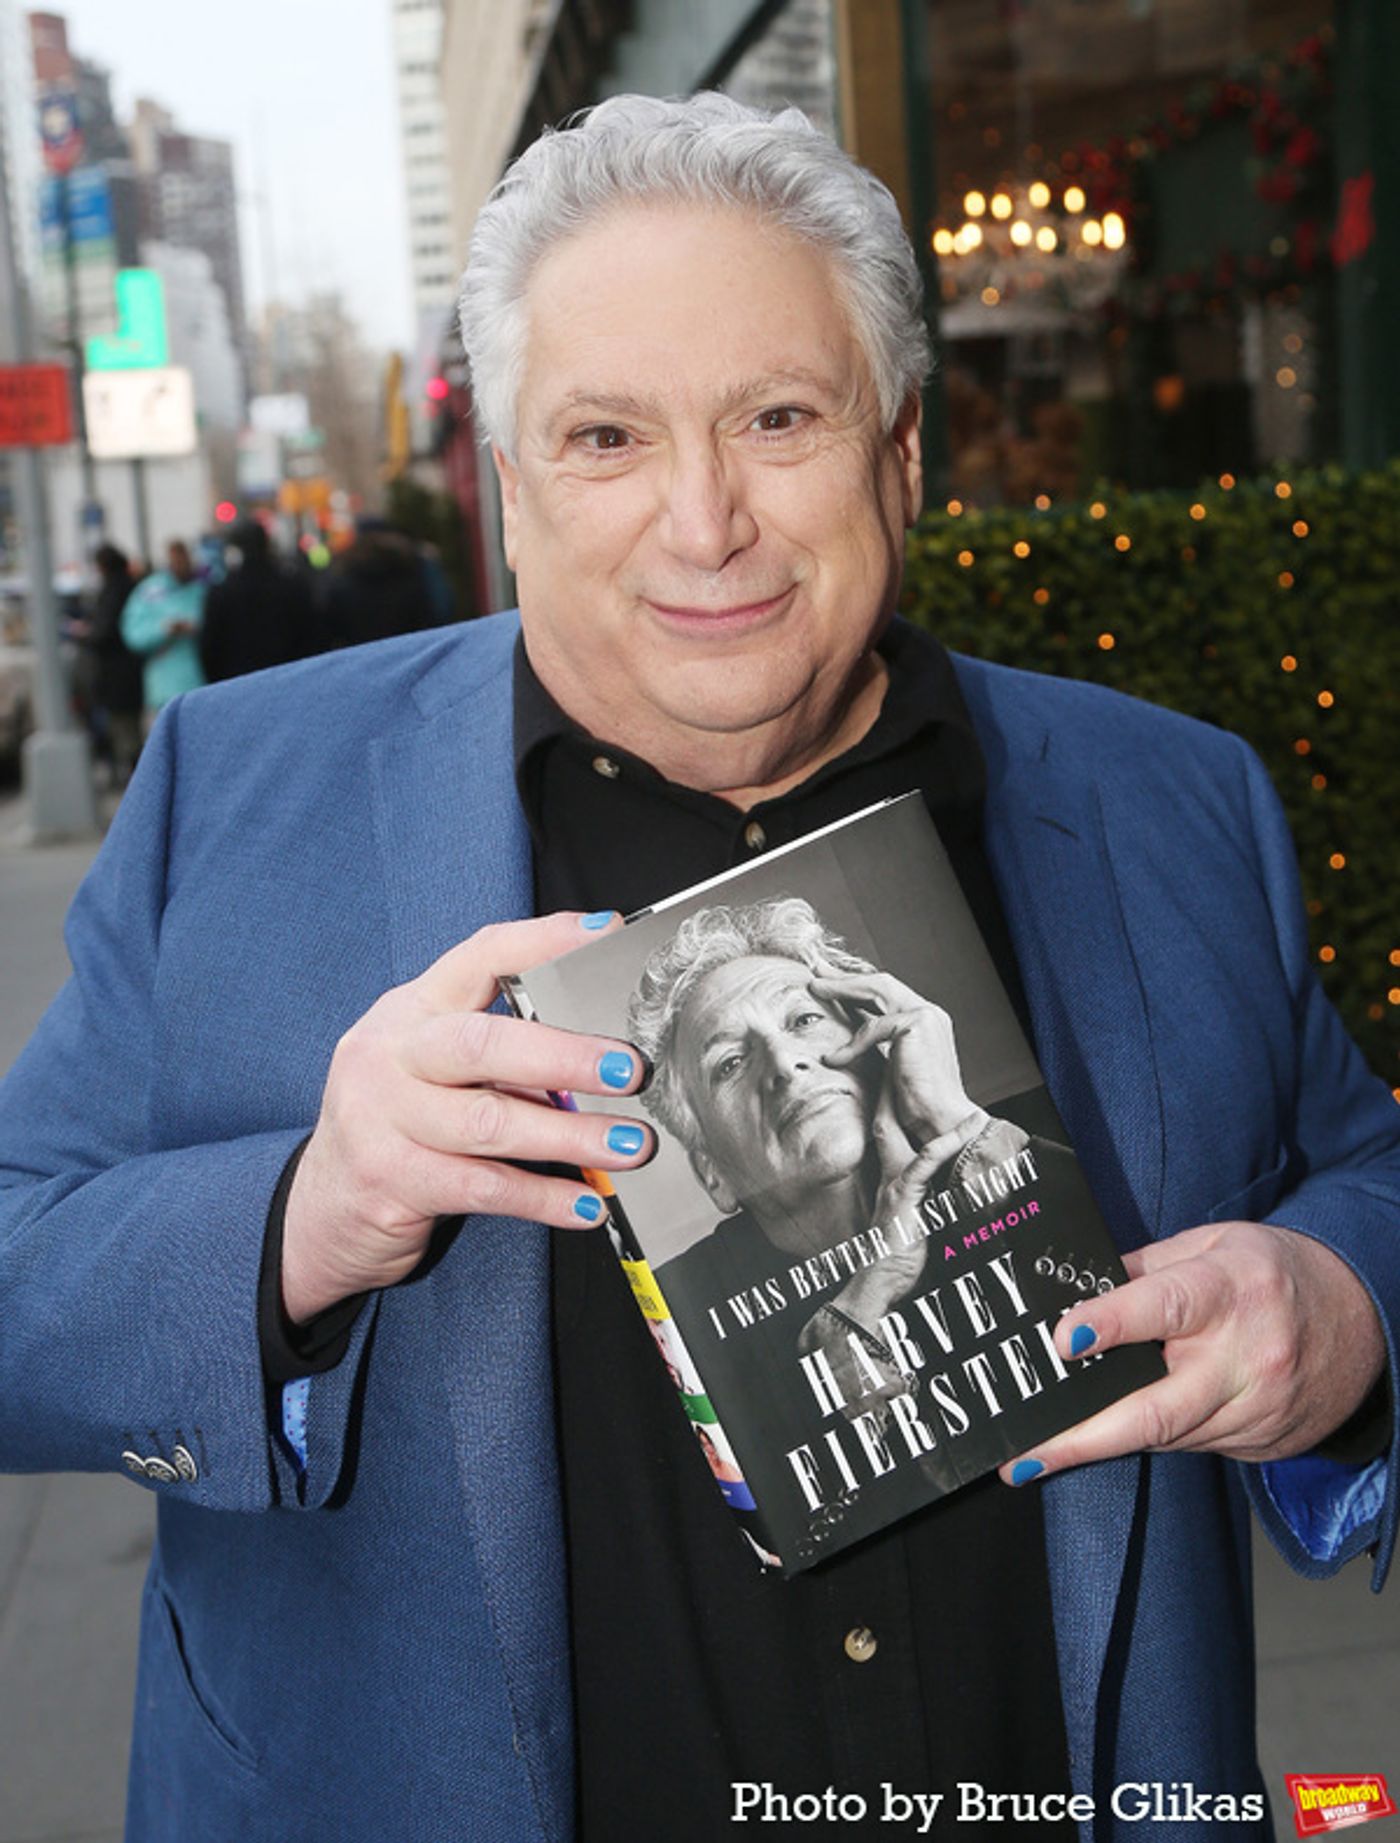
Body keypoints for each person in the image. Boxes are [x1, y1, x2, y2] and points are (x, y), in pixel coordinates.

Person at [0, 92, 1394, 1843]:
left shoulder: (1170, 799)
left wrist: (1342, 1311)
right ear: (507, 484)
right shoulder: (238, 797)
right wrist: (300, 1219)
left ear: (900, 451)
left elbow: (1370, 1172)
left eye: (779, 416)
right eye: (606, 437)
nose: (706, 518)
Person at [199, 519, 322, 683]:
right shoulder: (292, 587)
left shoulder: (222, 592)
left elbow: (210, 649)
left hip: (238, 685)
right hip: (290, 682)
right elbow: (312, 638)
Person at [119, 536, 205, 724]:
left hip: (202, 686)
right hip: (164, 689)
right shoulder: (150, 592)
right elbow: (134, 635)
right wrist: (165, 630)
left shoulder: (201, 590)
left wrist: (199, 629)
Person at [83, 542, 144, 785]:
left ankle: (134, 778)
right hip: (131, 670)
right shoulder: (131, 587)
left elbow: (103, 632)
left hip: (116, 673)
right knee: (130, 727)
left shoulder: (112, 591)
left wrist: (86, 635)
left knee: (124, 730)